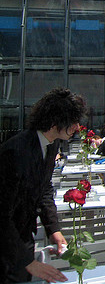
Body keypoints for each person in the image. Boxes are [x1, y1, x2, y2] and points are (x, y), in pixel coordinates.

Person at [0, 87, 86, 283]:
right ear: (56, 120)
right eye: (73, 121)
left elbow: (44, 188)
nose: (77, 127)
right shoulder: (15, 152)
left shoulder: (51, 144)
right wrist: (26, 261)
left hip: (23, 240)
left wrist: (53, 228)